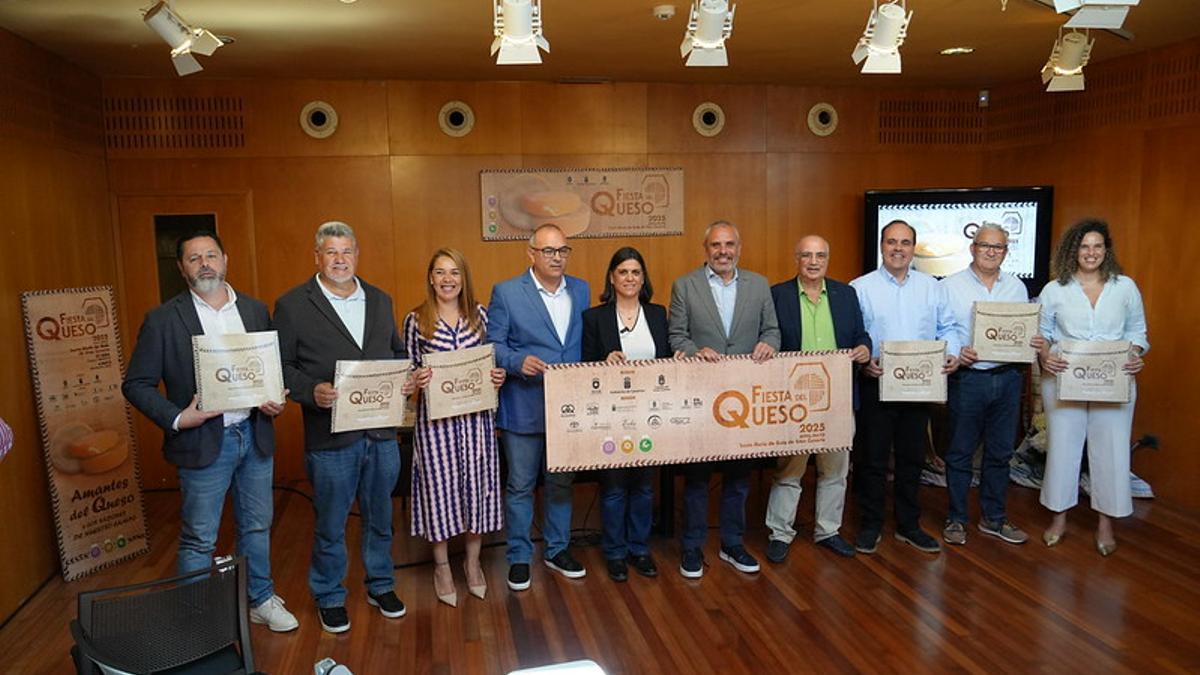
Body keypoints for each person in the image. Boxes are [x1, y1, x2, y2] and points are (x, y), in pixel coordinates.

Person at [123, 230, 297, 632]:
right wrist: (179, 418)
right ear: (182, 268)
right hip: (202, 442)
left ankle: (260, 599)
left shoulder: (254, 311)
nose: (205, 264)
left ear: (225, 259)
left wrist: (276, 399)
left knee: (256, 526)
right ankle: (195, 621)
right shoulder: (164, 319)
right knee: (200, 538)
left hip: (254, 435)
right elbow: (135, 383)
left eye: (211, 255)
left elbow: (269, 370)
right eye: (194, 258)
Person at [274, 221, 410, 633]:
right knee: (332, 522)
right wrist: (309, 390)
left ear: (357, 255)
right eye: (331, 252)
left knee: (380, 517)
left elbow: (397, 353)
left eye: (346, 251)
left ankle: (380, 584)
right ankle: (330, 594)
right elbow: (280, 366)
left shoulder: (381, 300)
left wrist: (404, 379)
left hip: (382, 434)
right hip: (330, 436)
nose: (339, 260)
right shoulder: (293, 304)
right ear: (317, 256)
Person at [668, 220, 780, 578]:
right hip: (701, 397)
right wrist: (694, 350)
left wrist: (770, 344)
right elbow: (677, 336)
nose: (723, 251)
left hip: (745, 397)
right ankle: (692, 547)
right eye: (716, 245)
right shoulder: (685, 286)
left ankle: (733, 544)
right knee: (698, 478)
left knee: (738, 477)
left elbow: (772, 330)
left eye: (729, 244)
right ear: (706, 249)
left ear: (739, 248)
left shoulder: (759, 285)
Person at [488, 223, 591, 591]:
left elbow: (584, 341)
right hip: (524, 403)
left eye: (563, 250)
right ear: (530, 253)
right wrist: (517, 362)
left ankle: (557, 549)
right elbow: (493, 344)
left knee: (561, 482)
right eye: (549, 251)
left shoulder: (581, 290)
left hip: (569, 408)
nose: (557, 257)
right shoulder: (507, 292)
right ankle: (518, 557)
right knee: (520, 485)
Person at [851, 220, 962, 555]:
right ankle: (870, 525)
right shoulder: (859, 287)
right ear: (881, 246)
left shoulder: (933, 287)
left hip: (918, 387)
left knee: (913, 458)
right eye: (891, 242)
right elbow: (854, 335)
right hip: (877, 383)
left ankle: (908, 525)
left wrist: (953, 353)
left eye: (905, 242)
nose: (898, 248)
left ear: (914, 248)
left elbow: (949, 327)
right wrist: (863, 361)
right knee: (872, 459)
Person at [402, 248, 506, 606]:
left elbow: (492, 362)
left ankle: (473, 564)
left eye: (455, 273)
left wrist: (497, 376)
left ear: (464, 278)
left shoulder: (480, 316)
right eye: (441, 272)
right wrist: (417, 377)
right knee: (439, 492)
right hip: (436, 428)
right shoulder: (416, 320)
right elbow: (408, 375)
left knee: (477, 490)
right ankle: (443, 566)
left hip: (476, 424)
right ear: (431, 278)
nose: (448, 279)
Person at [1037, 218, 1147, 556]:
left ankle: (1105, 523)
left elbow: (1138, 333)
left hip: (1113, 383)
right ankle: (1058, 518)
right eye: (1084, 246)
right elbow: (1040, 335)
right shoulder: (1054, 290)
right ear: (1073, 250)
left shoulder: (1125, 287)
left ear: (1106, 250)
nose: (1091, 252)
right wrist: (1045, 358)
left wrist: (1136, 355)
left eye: (1098, 246)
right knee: (1063, 450)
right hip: (1063, 381)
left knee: (1112, 451)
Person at [764, 235, 870, 563]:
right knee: (789, 470)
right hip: (793, 400)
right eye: (807, 255)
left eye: (820, 255)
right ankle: (780, 532)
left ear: (827, 259)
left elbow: (860, 335)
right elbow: (768, 337)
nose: (813, 261)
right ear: (796, 258)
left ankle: (828, 530)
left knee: (835, 469)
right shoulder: (778, 295)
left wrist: (865, 348)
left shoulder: (846, 294)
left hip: (837, 399)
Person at [940, 224, 1047, 547]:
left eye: (998, 247)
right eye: (985, 245)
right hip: (967, 378)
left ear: (1006, 251)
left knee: (1000, 454)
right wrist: (956, 350)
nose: (990, 251)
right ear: (972, 248)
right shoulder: (949, 286)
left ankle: (994, 518)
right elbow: (941, 326)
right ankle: (956, 519)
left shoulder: (1015, 288)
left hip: (1009, 378)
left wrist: (1032, 340)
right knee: (959, 453)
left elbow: (1020, 330)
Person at [581, 247, 676, 582]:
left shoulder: (657, 313)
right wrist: (602, 363)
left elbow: (665, 359)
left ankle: (639, 548)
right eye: (623, 272)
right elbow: (583, 367)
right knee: (615, 487)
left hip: (649, 414)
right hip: (611, 416)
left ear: (643, 278)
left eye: (636, 272)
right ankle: (615, 552)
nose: (630, 278)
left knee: (644, 487)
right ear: (612, 277)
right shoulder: (595, 317)